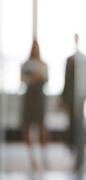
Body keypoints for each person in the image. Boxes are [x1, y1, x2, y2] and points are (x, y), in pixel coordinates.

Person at [60, 33, 86, 171]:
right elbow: (67, 82)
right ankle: (76, 158)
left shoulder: (85, 61)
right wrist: (63, 99)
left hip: (79, 101)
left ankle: (80, 160)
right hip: (70, 100)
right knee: (72, 130)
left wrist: (82, 99)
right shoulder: (70, 60)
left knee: (79, 130)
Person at [21, 39, 49, 170]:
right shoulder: (26, 64)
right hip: (29, 97)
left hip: (39, 97)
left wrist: (39, 77)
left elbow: (46, 79)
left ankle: (44, 158)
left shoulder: (43, 64)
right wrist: (33, 77)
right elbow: (23, 79)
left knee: (41, 126)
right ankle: (32, 159)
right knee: (27, 126)